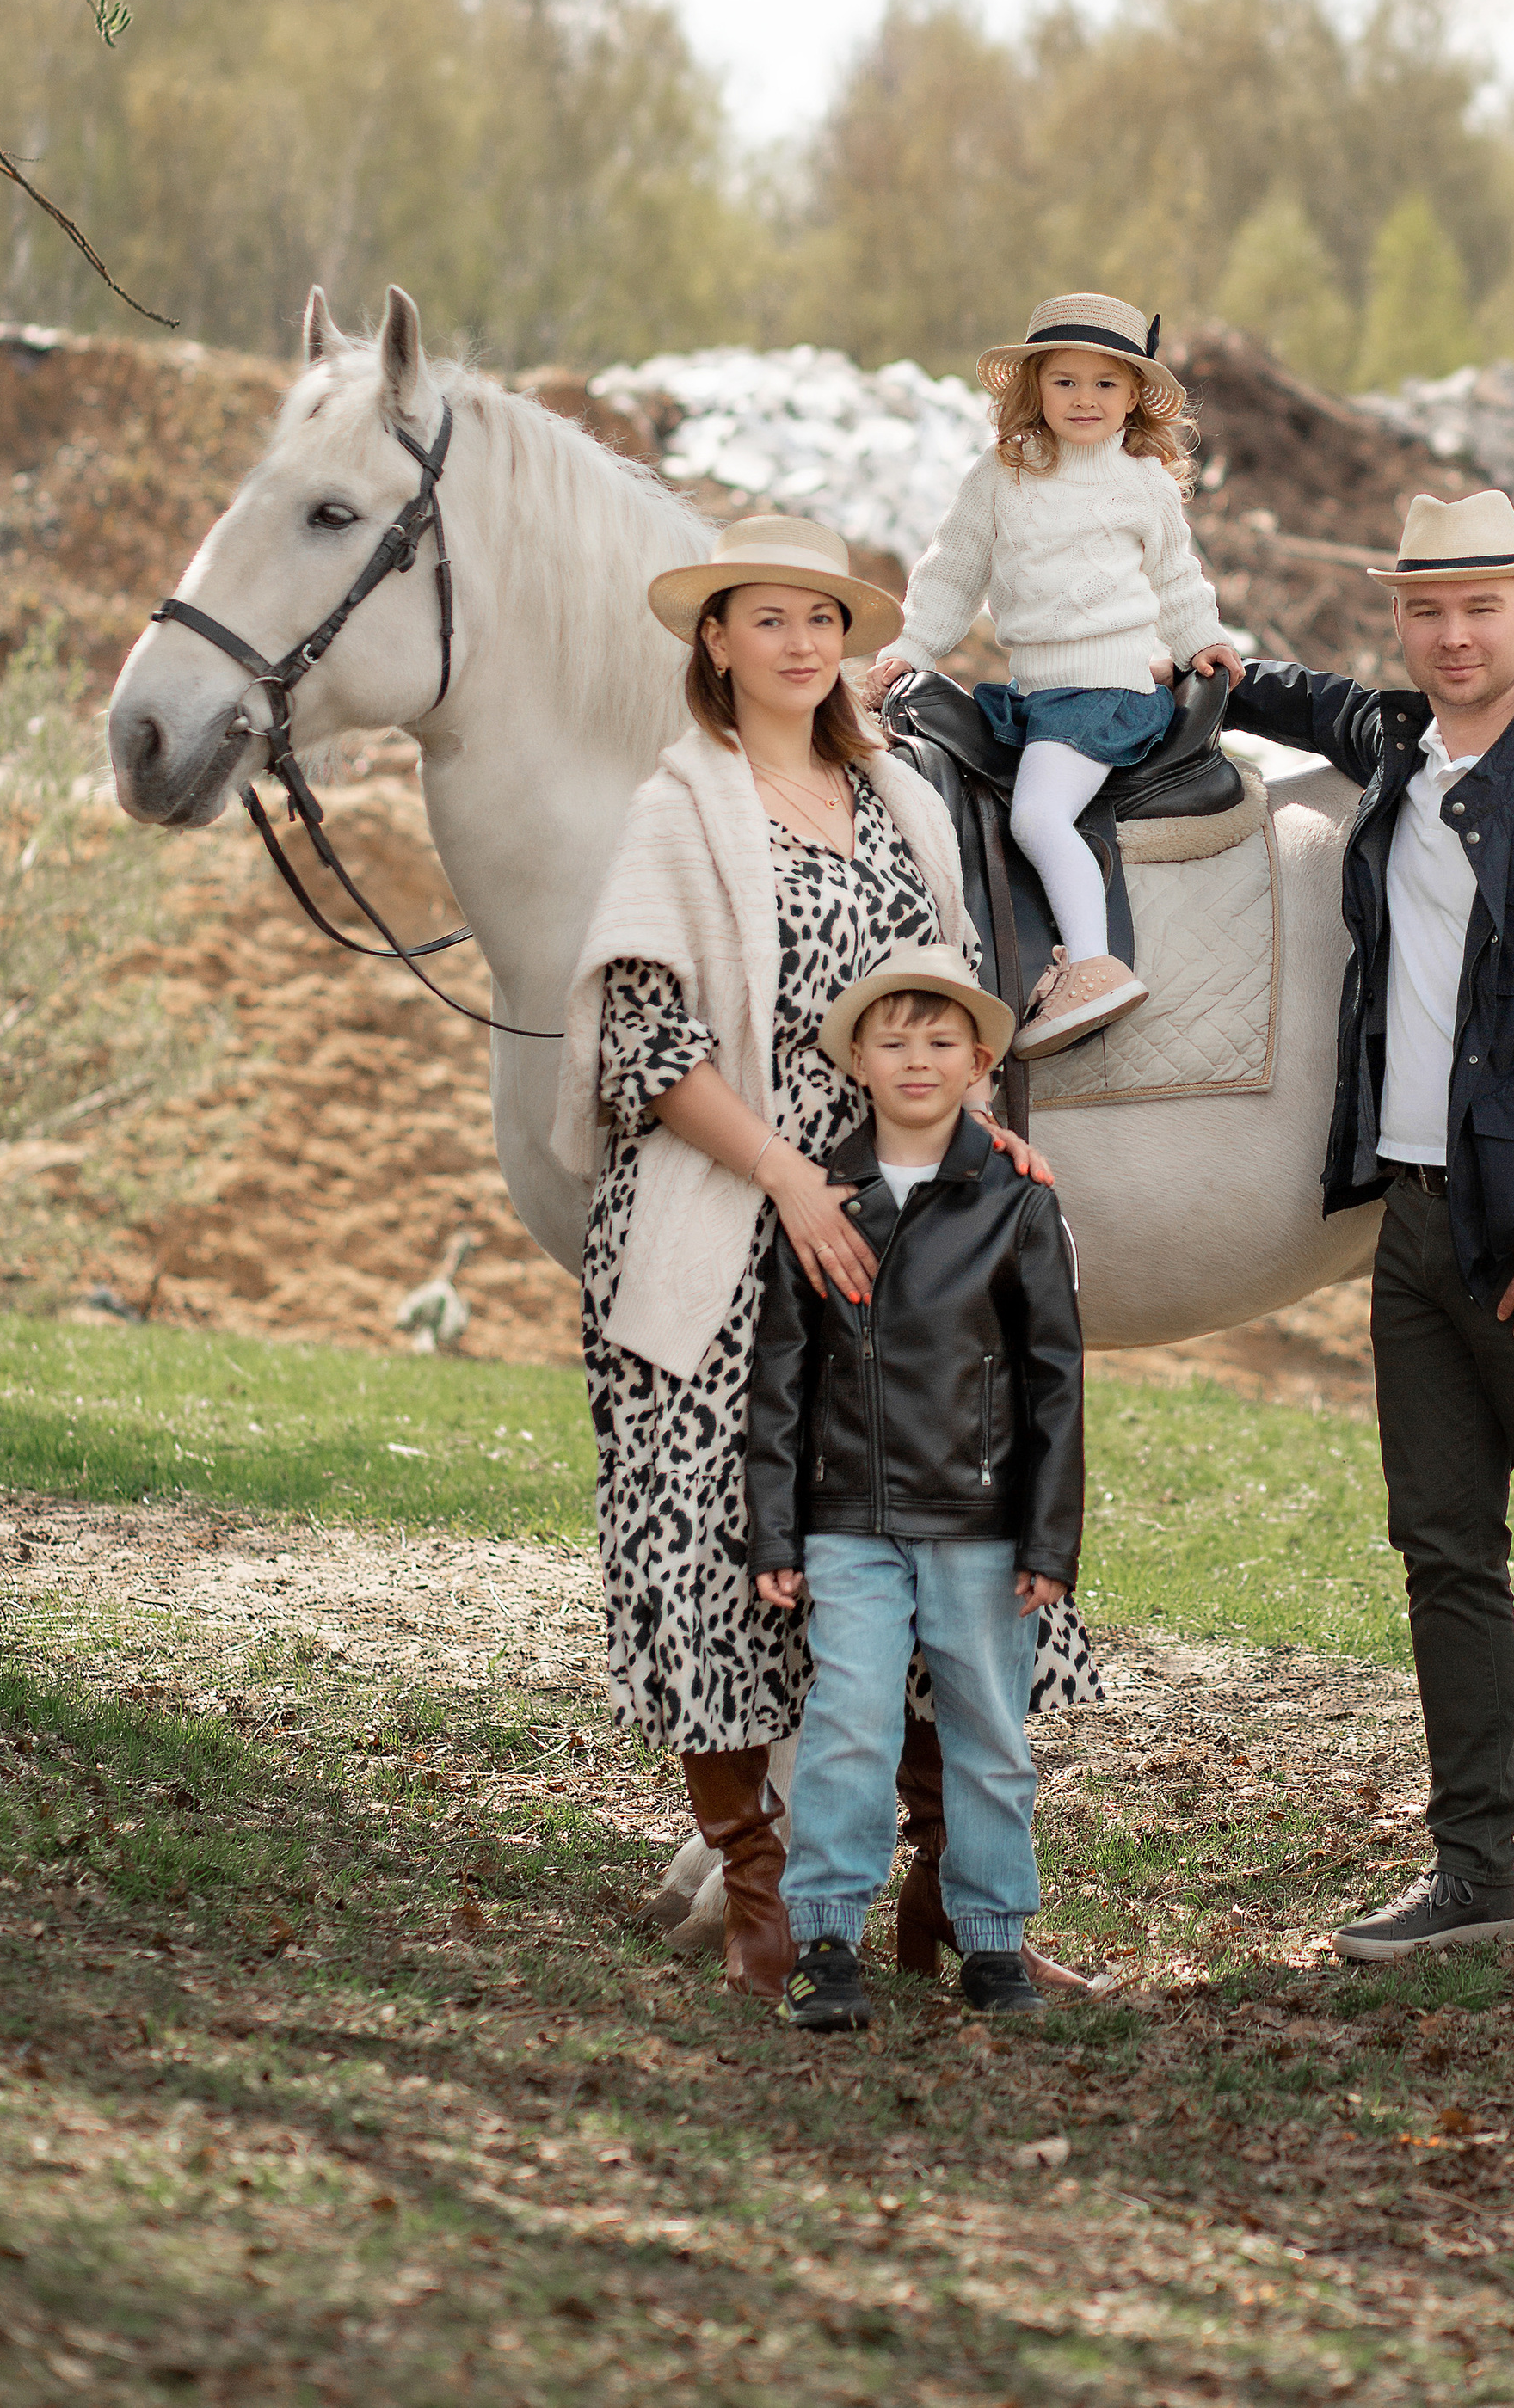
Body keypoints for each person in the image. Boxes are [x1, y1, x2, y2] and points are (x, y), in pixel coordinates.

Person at [551, 515, 1100, 2003]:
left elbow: (940, 1009)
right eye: (766, 618)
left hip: (899, 1228)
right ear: (715, 641)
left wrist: (985, 1130)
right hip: (730, 1216)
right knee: (723, 1559)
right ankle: (764, 1896)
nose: (799, 642)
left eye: (821, 618)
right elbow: (649, 1040)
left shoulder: (899, 796)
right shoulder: (682, 802)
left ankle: (951, 1898)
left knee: (939, 1525)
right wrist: (792, 1173)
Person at [1223, 488, 1514, 1973]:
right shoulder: (1401, 749)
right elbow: (1316, 699)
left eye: (1480, 604)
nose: (1453, 631)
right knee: (1441, 1549)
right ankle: (1472, 1866)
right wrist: (1218, 672)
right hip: (1414, 1222)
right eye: (1428, 607)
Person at [745, 947, 1085, 2031]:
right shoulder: (823, 1201)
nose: (917, 1058)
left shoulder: (1018, 1202)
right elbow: (780, 1377)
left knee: (989, 1727)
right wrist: (773, 1532)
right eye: (892, 1039)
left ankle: (991, 1939)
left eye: (941, 1041)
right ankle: (826, 1940)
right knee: (849, 1721)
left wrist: (1049, 1536)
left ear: (980, 1061)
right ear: (858, 1059)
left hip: (982, 1521)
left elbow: (1053, 1379)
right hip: (847, 1517)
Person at [859, 294, 1247, 1060]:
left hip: (1109, 693)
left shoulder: (1144, 482)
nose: (1084, 399)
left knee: (1037, 816)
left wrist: (1202, 637)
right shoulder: (999, 477)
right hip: (1040, 693)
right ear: (1033, 386)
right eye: (1065, 381)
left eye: (1106, 384)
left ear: (1135, 396)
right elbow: (952, 572)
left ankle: (1093, 966)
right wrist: (914, 647)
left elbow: (1175, 578)